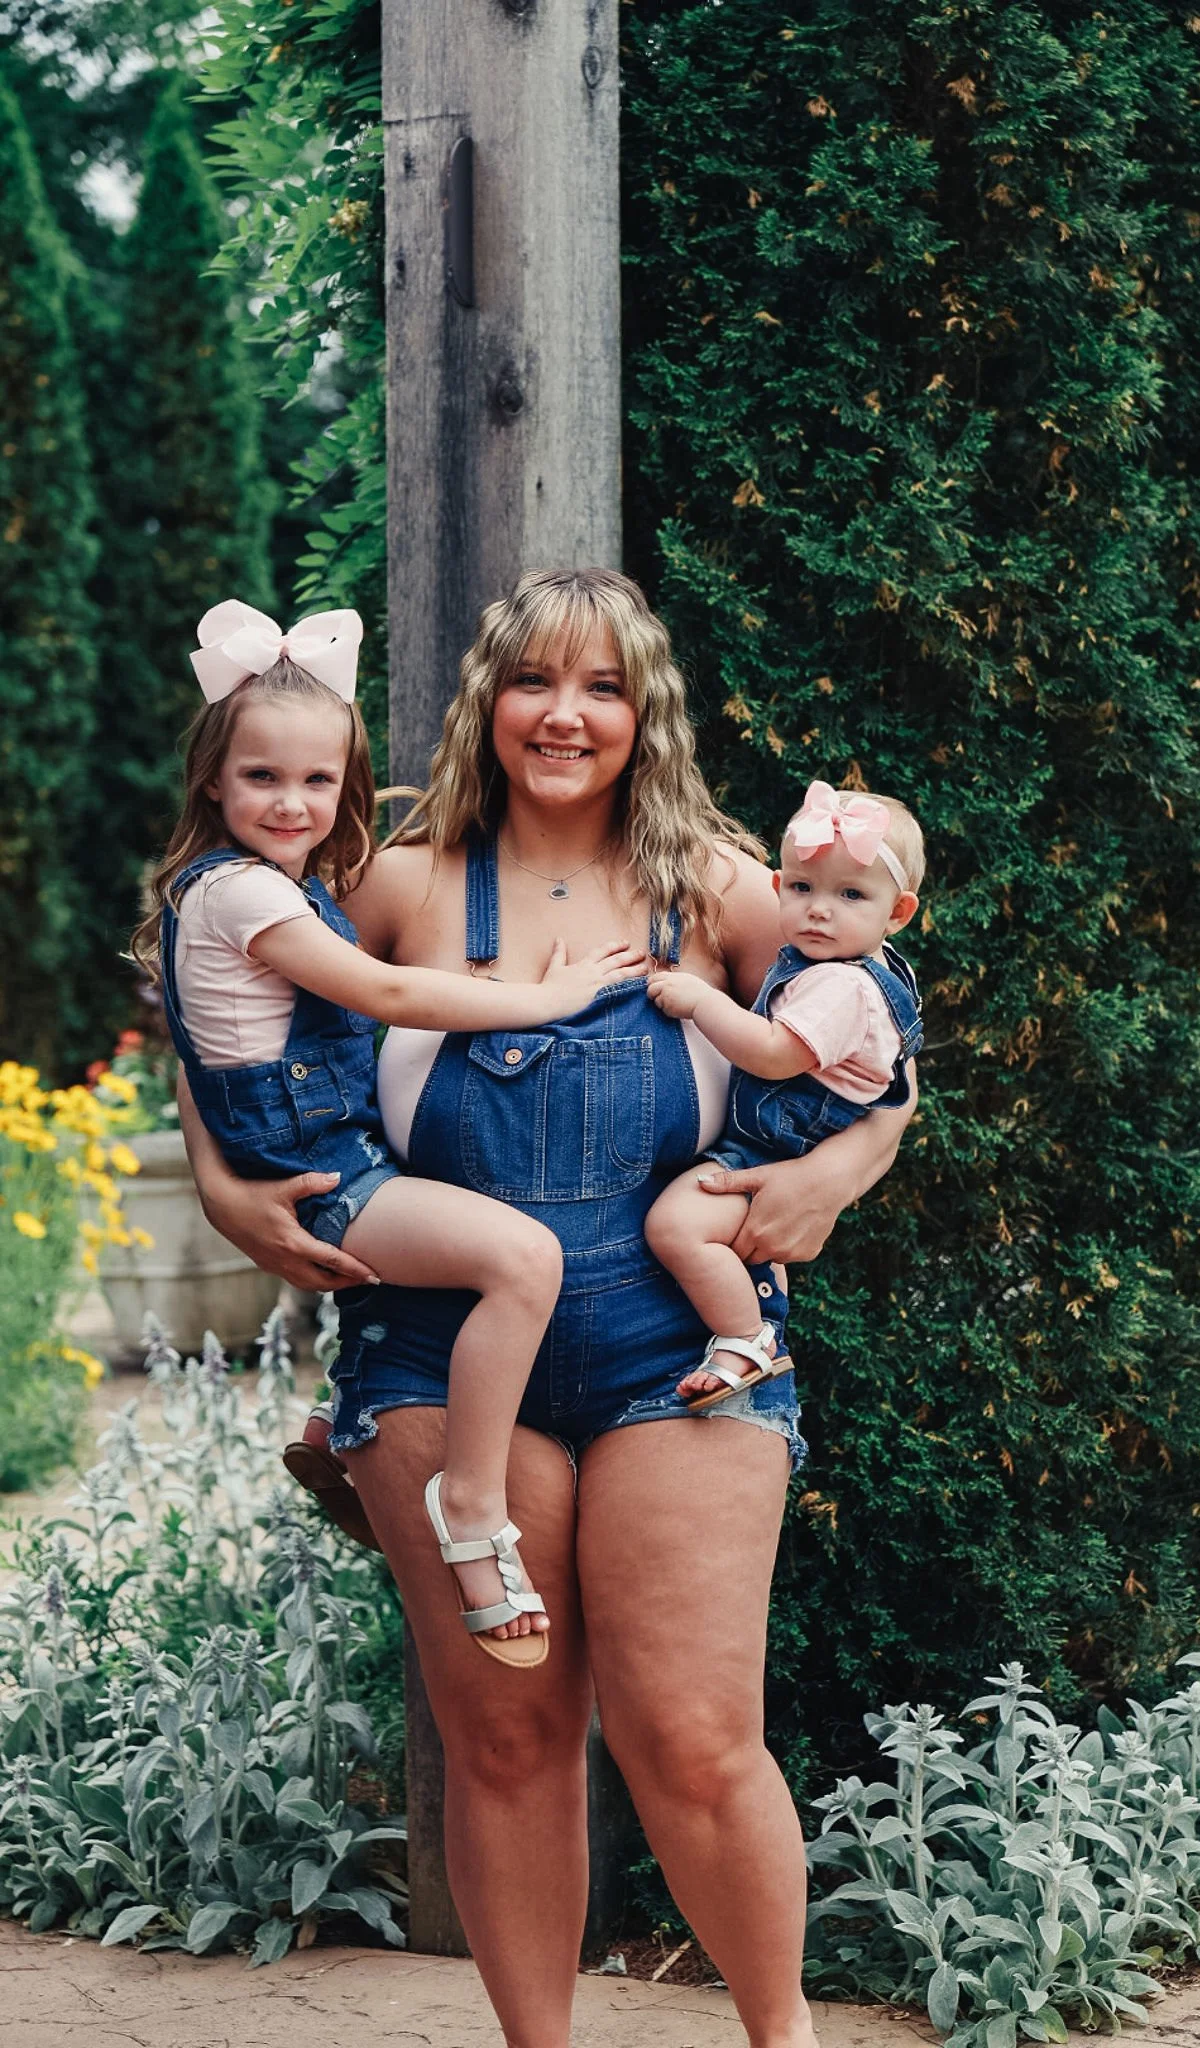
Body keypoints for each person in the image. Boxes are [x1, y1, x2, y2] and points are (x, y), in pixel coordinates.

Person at [178, 569, 917, 2048]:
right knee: (506, 1741)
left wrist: (845, 1166)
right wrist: (215, 1181)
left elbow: (877, 1050)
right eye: (533, 682)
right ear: (486, 702)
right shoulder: (395, 878)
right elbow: (219, 1012)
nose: (564, 716)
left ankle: (783, 2042)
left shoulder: (723, 884)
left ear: (644, 714)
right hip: (438, 1349)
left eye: (602, 687)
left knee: (695, 1741)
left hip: (681, 1348)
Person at [134, 600, 645, 1665]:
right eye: (262, 778)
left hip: (332, 1149)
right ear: (213, 783)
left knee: (461, 1200)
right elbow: (383, 989)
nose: (291, 801)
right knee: (522, 1258)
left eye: (317, 780)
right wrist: (544, 1002)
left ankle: (341, 1426)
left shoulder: (271, 888)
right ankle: (469, 1499)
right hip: (322, 1169)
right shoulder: (239, 896)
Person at [645, 779, 924, 1407]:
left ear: (898, 913)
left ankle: (745, 1339)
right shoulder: (849, 967)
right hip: (782, 1142)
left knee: (676, 1226)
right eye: (802, 888)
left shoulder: (842, 988)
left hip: (777, 1149)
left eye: (851, 894)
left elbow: (773, 1056)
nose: (819, 909)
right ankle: (757, 1304)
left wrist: (701, 1001)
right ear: (776, 888)